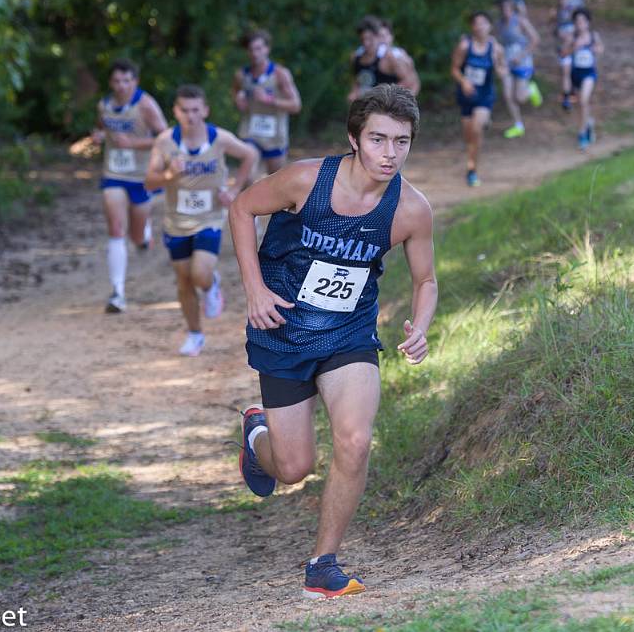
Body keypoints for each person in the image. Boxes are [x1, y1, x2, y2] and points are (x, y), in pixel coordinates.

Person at [230, 84, 437, 599]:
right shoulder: (305, 179)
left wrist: (421, 325)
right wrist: (255, 289)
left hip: (349, 333)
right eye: (378, 140)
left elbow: (426, 280)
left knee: (355, 440)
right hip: (283, 329)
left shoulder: (410, 209)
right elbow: (240, 209)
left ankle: (323, 564)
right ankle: (258, 437)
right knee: (294, 468)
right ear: (354, 139)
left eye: (402, 142)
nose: (390, 154)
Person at [144, 85, 259, 356]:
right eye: (184, 110)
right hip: (176, 222)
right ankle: (195, 334)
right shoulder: (164, 142)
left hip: (209, 218)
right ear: (175, 111)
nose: (191, 116)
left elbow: (250, 154)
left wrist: (234, 189)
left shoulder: (218, 138)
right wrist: (169, 176)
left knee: (199, 273)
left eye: (196, 110)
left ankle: (211, 285)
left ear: (205, 110)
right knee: (184, 280)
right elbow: (149, 181)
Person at [93, 58, 168, 313]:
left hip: (141, 176)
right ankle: (118, 293)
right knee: (115, 228)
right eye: (116, 81)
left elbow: (164, 137)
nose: (121, 85)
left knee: (135, 236)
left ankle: (143, 233)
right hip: (113, 173)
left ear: (135, 81)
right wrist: (99, 136)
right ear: (110, 83)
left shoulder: (145, 105)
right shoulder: (104, 105)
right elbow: (102, 128)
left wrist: (133, 144)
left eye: (126, 80)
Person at [232, 29, 302, 176]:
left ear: (267, 49)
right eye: (251, 49)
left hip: (274, 135)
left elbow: (296, 105)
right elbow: (236, 92)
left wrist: (270, 100)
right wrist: (238, 100)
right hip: (250, 131)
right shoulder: (241, 75)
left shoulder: (280, 74)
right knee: (248, 177)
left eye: (258, 48)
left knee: (275, 181)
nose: (255, 53)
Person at [450, 11, 508, 187]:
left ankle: (472, 169)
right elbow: (454, 69)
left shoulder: (496, 49)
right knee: (469, 135)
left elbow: (503, 70)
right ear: (472, 27)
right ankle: (472, 156)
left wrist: (499, 69)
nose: (480, 26)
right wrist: (463, 81)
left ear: (490, 26)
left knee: (476, 129)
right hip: (466, 95)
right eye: (476, 23)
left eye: (484, 23)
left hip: (485, 95)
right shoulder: (464, 46)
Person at [496, 0, 541, 139]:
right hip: (508, 63)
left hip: (523, 62)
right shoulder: (499, 25)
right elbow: (498, 44)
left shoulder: (521, 21)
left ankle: (531, 89)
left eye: (508, 8)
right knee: (507, 94)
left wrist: (521, 56)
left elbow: (535, 39)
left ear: (512, 8)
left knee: (520, 97)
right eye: (503, 8)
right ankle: (518, 124)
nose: (505, 11)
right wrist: (500, 61)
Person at [347, 16, 416, 103]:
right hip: (366, 108)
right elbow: (356, 80)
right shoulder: (356, 57)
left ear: (378, 37)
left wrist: (384, 95)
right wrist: (354, 93)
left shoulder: (390, 57)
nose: (366, 43)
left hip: (386, 109)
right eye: (363, 39)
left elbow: (410, 81)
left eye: (370, 39)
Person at [564, 8, 604, 150]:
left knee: (584, 100)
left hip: (589, 73)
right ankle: (588, 123)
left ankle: (582, 134)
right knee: (581, 105)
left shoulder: (593, 36)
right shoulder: (571, 37)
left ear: (588, 22)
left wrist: (594, 49)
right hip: (575, 74)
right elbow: (564, 53)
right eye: (577, 21)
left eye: (583, 21)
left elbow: (600, 49)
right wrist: (574, 47)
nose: (580, 23)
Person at [376, 19, 421, 95]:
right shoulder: (365, 55)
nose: (382, 39)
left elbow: (414, 81)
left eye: (385, 35)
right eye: (379, 36)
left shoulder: (400, 53)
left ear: (391, 37)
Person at [553, 0, 578, 110]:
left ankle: (572, 92)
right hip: (562, 47)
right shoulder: (556, 12)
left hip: (575, 46)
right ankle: (566, 97)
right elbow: (555, 30)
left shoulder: (575, 10)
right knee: (565, 71)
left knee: (572, 71)